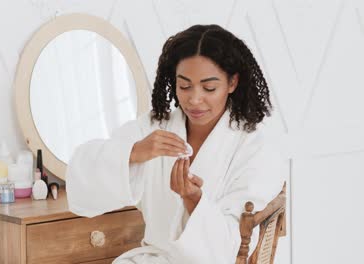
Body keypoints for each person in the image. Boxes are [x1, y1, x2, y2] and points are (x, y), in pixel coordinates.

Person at [66, 24, 285, 264]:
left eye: (209, 88)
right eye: (184, 86)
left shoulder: (254, 146)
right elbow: (83, 176)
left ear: (232, 83)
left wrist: (194, 200)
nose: (194, 99)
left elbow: (233, 246)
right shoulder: (155, 127)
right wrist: (134, 152)